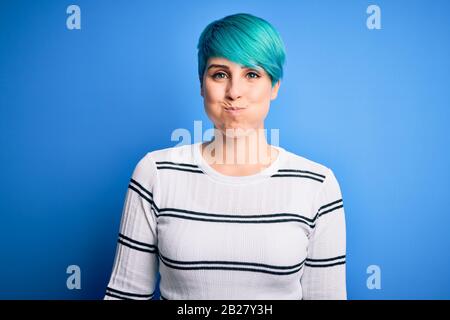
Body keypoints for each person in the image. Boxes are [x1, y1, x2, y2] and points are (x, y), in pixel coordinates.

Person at [104, 13, 346, 300]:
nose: (234, 92)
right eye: (220, 74)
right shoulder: (156, 172)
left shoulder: (317, 184)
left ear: (275, 86)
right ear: (201, 83)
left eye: (252, 75)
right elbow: (125, 295)